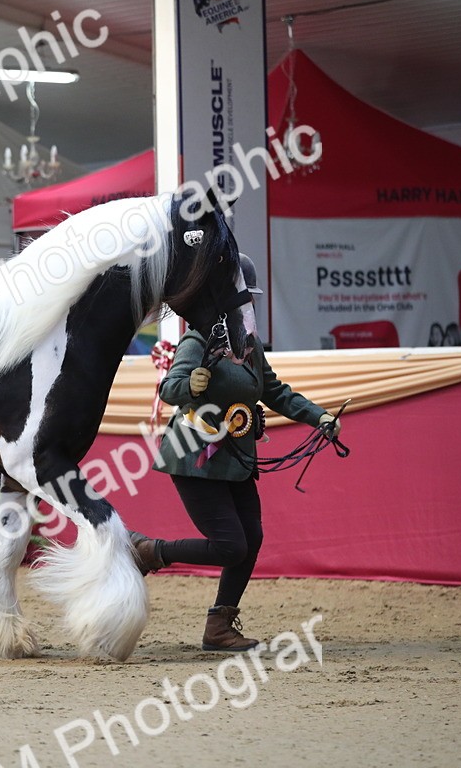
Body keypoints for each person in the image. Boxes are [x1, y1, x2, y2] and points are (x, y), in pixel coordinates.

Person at [131, 254, 341, 652]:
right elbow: (170, 390)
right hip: (195, 459)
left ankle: (219, 626)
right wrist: (192, 383)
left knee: (252, 537)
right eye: (242, 300)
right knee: (231, 545)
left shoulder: (249, 348)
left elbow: (274, 391)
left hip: (237, 461)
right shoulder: (197, 340)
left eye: (249, 300)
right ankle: (149, 552)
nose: (248, 307)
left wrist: (319, 417)